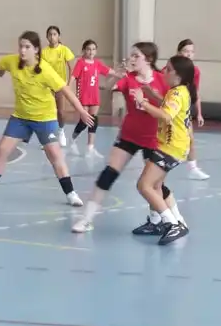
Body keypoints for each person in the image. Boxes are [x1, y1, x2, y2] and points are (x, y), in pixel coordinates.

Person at [70, 42, 184, 234]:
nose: (132, 59)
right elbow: (106, 87)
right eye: (131, 55)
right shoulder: (128, 79)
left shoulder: (161, 80)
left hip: (154, 139)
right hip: (129, 135)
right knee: (108, 174)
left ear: (148, 59)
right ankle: (86, 219)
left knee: (155, 184)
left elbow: (169, 107)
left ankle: (175, 220)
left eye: (136, 56)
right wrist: (116, 74)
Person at [0, 31, 93, 206]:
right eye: (21, 46)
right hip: (21, 118)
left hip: (45, 119)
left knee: (54, 155)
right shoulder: (12, 61)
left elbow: (66, 91)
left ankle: (71, 193)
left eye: (27, 47)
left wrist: (81, 111)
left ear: (36, 50)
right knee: (2, 149)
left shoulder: (45, 70)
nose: (22, 50)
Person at [129, 54, 196, 245]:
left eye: (168, 69)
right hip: (175, 146)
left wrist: (143, 102)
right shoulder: (180, 91)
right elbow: (169, 109)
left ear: (178, 75)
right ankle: (168, 222)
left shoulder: (176, 94)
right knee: (157, 185)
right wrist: (152, 95)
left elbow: (166, 116)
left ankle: (171, 224)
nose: (164, 71)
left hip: (170, 148)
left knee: (144, 185)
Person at [67, 39, 124, 158]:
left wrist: (121, 73)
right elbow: (73, 77)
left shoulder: (97, 63)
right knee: (84, 121)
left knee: (94, 120)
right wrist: (68, 89)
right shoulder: (81, 63)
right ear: (84, 50)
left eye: (93, 49)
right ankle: (73, 139)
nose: (91, 51)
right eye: (88, 49)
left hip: (94, 96)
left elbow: (110, 71)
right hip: (83, 95)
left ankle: (90, 148)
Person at [176, 39, 209, 180]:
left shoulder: (195, 71)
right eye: (185, 51)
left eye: (191, 52)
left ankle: (193, 168)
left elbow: (195, 93)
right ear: (179, 53)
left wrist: (199, 113)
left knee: (190, 139)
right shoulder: (170, 69)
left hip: (183, 110)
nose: (189, 54)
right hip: (169, 108)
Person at [41, 26, 75, 147]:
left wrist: (69, 84)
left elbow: (72, 68)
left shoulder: (64, 50)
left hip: (60, 85)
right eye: (50, 34)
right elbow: (41, 70)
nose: (52, 37)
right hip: (47, 86)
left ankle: (61, 131)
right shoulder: (44, 52)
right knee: (48, 112)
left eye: (54, 34)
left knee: (60, 112)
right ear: (47, 37)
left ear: (58, 36)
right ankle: (48, 137)